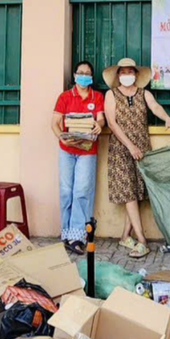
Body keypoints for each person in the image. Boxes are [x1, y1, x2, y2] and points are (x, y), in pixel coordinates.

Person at [103, 58, 170, 258]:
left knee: (137, 191)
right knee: (129, 192)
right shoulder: (111, 94)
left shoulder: (143, 93)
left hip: (142, 148)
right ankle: (142, 240)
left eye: (131, 72)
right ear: (118, 75)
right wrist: (130, 146)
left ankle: (124, 237)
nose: (127, 75)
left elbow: (155, 107)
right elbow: (112, 123)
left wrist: (168, 119)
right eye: (123, 72)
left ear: (136, 75)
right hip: (121, 148)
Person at [51, 61, 105, 255]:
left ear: (91, 77)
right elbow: (54, 122)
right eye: (80, 73)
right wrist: (62, 137)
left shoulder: (97, 96)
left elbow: (100, 117)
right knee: (66, 191)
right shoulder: (65, 97)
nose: (84, 76)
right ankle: (66, 233)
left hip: (87, 151)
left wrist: (100, 124)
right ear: (74, 76)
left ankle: (77, 236)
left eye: (87, 73)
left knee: (82, 191)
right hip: (66, 149)